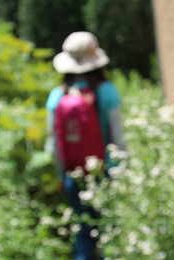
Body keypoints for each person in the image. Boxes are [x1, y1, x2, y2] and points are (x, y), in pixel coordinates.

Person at [46, 31, 127, 260]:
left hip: (74, 174)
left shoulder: (56, 96)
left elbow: (54, 145)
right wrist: (123, 173)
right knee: (110, 231)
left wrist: (63, 177)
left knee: (82, 232)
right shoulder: (106, 91)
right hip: (105, 172)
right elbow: (118, 138)